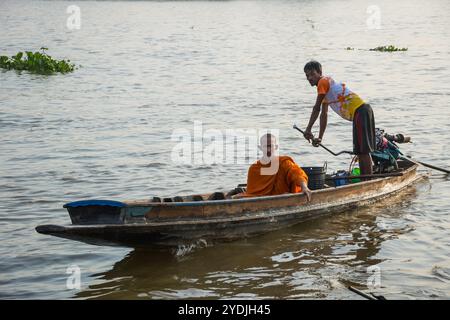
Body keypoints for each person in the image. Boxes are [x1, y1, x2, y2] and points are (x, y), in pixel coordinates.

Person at [303, 60, 376, 175]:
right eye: (307, 75)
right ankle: (365, 179)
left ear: (320, 72)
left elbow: (316, 108)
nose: (309, 78)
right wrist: (320, 137)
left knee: (364, 150)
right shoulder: (325, 88)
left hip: (361, 111)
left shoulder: (323, 82)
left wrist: (308, 129)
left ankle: (368, 180)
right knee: (359, 151)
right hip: (359, 113)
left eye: (312, 74)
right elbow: (323, 115)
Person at [235, 133, 312, 201]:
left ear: (276, 147)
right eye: (265, 146)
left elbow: (297, 174)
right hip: (258, 199)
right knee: (236, 197)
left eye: (271, 146)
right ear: (260, 148)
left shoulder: (284, 163)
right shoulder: (254, 168)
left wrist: (304, 187)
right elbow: (251, 192)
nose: (268, 149)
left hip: (281, 198)